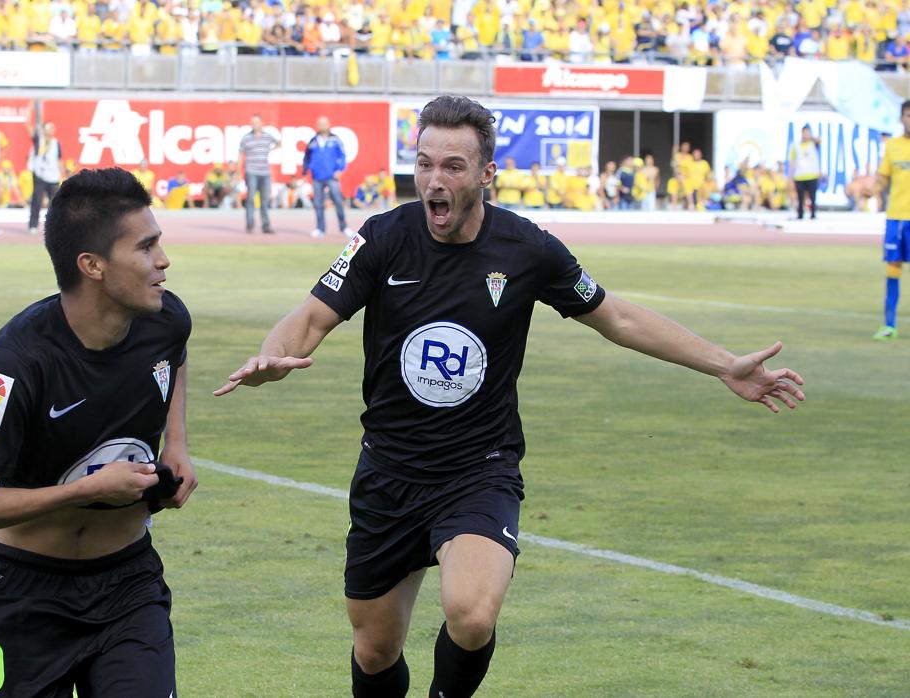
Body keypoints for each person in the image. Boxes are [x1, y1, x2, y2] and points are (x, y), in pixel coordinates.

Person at [213, 95, 805, 698]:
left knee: (470, 614)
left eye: (452, 166)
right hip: (388, 472)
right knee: (374, 649)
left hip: (479, 470)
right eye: (423, 164)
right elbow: (310, 317)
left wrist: (725, 365)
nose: (433, 181)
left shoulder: (528, 249)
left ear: (486, 174)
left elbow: (618, 318)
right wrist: (271, 356)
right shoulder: (383, 238)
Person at [0, 167, 197, 697]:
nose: (164, 262)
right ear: (92, 265)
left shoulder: (166, 320)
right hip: (24, 595)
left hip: (128, 584)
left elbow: (175, 356)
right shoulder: (14, 362)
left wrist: (177, 445)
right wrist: (87, 490)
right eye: (146, 248)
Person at [874, 100, 910, 340]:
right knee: (893, 269)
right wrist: (871, 189)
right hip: (896, 218)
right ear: (901, 118)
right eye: (908, 115)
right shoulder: (893, 146)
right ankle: (889, 325)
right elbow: (882, 179)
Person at [303, 116, 352, 238]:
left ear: (329, 125)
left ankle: (344, 227)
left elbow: (343, 156)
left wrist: (340, 170)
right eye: (320, 124)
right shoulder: (313, 141)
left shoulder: (335, 140)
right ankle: (320, 228)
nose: (322, 126)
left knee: (338, 201)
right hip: (317, 177)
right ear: (317, 125)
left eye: (324, 124)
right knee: (318, 203)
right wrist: (305, 172)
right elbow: (306, 158)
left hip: (332, 176)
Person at [239, 113, 279, 234]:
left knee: (265, 200)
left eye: (256, 122)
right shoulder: (246, 138)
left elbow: (278, 143)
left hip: (265, 172)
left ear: (262, 123)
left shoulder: (267, 136)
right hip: (251, 171)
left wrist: (270, 150)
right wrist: (239, 171)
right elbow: (240, 155)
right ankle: (250, 224)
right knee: (250, 198)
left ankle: (266, 225)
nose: (254, 124)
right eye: (252, 122)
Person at [25, 112, 63, 235]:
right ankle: (33, 225)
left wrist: (62, 175)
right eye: (48, 127)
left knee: (54, 203)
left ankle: (53, 227)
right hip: (39, 175)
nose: (50, 130)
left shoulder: (56, 143)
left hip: (52, 176)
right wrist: (29, 107)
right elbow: (28, 126)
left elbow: (59, 160)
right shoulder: (38, 140)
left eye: (52, 128)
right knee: (36, 200)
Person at [789, 125, 822, 220]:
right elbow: (792, 161)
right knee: (800, 197)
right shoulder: (796, 146)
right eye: (804, 133)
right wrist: (791, 176)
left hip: (812, 175)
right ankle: (800, 214)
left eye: (807, 133)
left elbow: (819, 140)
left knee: (813, 197)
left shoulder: (813, 144)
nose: (805, 135)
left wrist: (811, 138)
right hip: (799, 176)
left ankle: (813, 214)